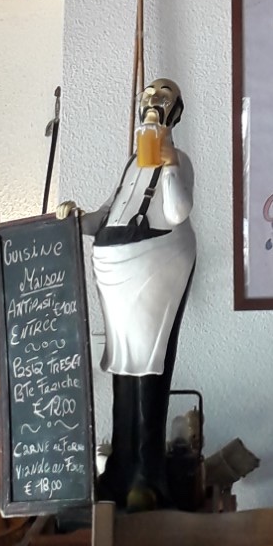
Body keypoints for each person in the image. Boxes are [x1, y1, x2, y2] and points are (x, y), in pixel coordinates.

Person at [82, 78, 195, 511]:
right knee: (123, 368)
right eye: (148, 96)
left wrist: (169, 164)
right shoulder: (132, 164)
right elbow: (107, 214)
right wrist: (74, 219)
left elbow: (179, 211)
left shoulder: (178, 160)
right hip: (116, 271)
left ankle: (147, 476)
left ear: (174, 112)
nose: (153, 102)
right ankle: (121, 469)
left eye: (162, 98)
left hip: (155, 264)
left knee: (149, 367)